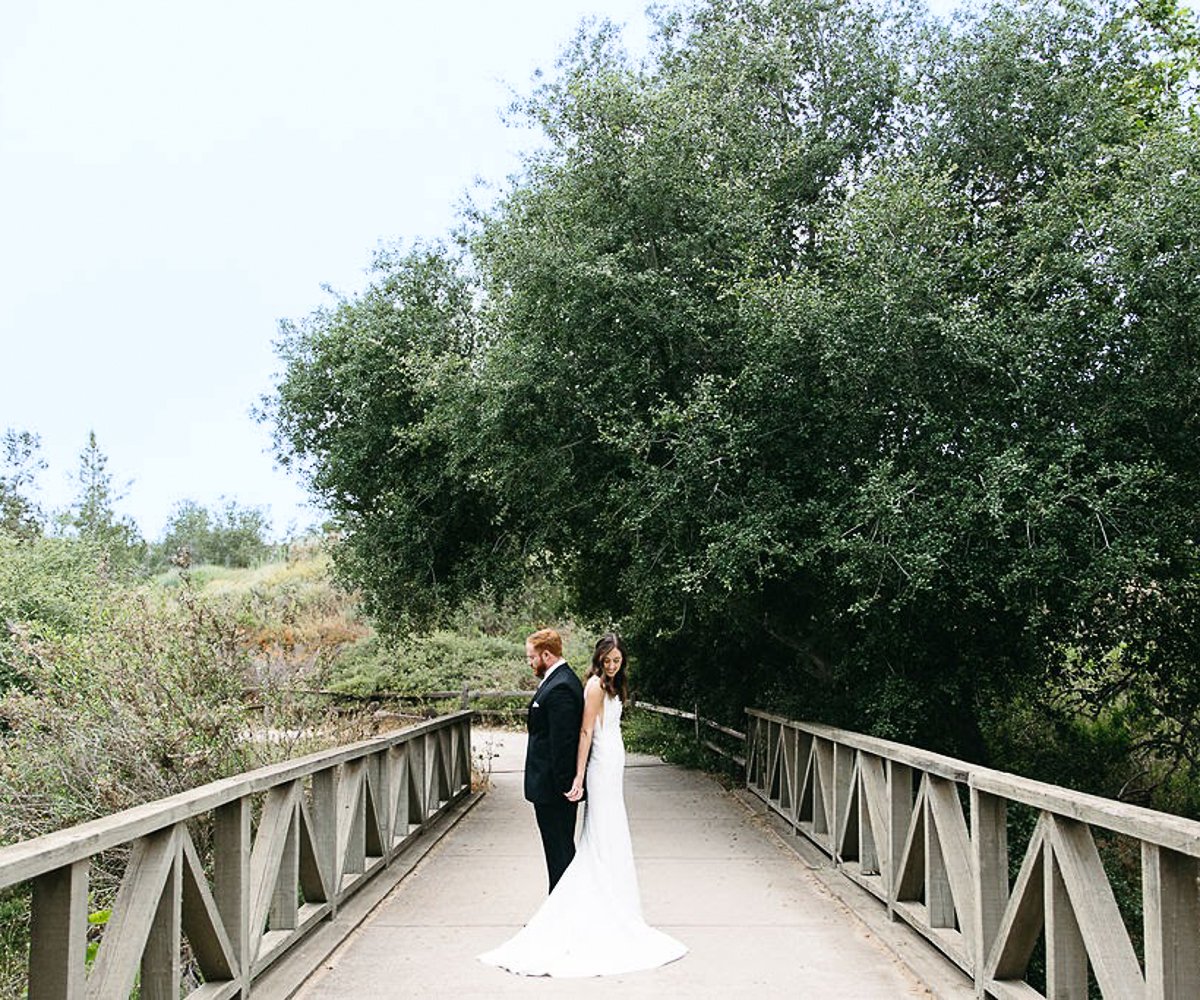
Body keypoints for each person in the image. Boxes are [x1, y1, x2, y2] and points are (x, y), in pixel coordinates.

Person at [479, 633, 688, 977]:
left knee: (600, 835)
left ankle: (586, 909)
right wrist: (577, 777)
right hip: (599, 766)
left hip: (608, 764)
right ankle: (570, 908)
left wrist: (571, 781)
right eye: (607, 660)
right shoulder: (590, 685)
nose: (611, 665)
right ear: (599, 658)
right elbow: (583, 733)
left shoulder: (594, 686)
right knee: (595, 836)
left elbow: (574, 735)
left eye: (617, 660)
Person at [520, 627, 585, 891]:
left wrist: (562, 788)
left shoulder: (561, 687)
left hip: (553, 791)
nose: (529, 662)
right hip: (549, 788)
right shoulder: (556, 680)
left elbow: (564, 743)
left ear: (546, 655)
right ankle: (560, 907)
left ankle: (563, 909)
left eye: (531, 656)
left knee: (559, 853)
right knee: (556, 853)